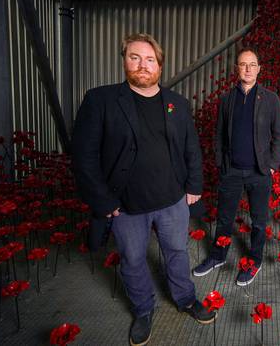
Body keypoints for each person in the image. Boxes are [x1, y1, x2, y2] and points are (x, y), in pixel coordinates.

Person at [71, 33, 215, 346]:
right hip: (125, 205)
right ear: (124, 60)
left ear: (160, 66)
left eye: (150, 59)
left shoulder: (176, 103)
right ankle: (143, 309)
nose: (142, 65)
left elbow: (191, 147)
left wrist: (194, 185)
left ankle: (186, 298)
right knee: (133, 259)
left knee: (177, 252)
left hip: (172, 200)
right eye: (135, 57)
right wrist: (103, 200)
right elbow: (84, 156)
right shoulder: (101, 100)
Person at [192, 47, 280, 286]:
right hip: (231, 170)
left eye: (252, 64)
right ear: (236, 69)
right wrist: (221, 163)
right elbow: (219, 135)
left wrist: (272, 165)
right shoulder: (226, 99)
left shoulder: (271, 99)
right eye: (243, 64)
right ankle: (218, 256)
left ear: (259, 69)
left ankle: (254, 260)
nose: (247, 69)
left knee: (259, 221)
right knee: (224, 219)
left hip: (259, 172)